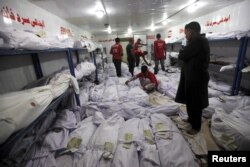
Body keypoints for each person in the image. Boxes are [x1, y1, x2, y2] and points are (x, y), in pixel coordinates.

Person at [175, 21, 210, 135]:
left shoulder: (199, 41)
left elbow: (182, 55)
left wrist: (183, 51)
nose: (185, 35)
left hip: (197, 78)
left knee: (196, 102)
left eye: (186, 33)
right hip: (192, 77)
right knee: (190, 100)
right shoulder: (194, 42)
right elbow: (185, 55)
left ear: (191, 31)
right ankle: (191, 119)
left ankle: (196, 126)